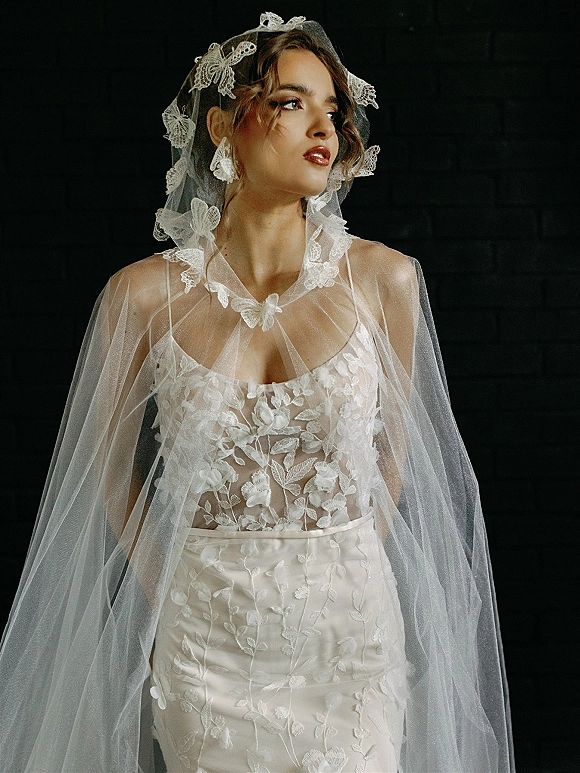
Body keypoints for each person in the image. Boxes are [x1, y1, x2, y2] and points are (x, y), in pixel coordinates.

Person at [0, 12, 515, 773]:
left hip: (350, 636)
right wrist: (170, 590)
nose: (324, 127)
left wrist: (339, 573)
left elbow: (395, 459)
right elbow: (109, 476)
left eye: (333, 110)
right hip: (204, 636)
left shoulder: (385, 281)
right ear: (222, 123)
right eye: (291, 103)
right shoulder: (142, 298)